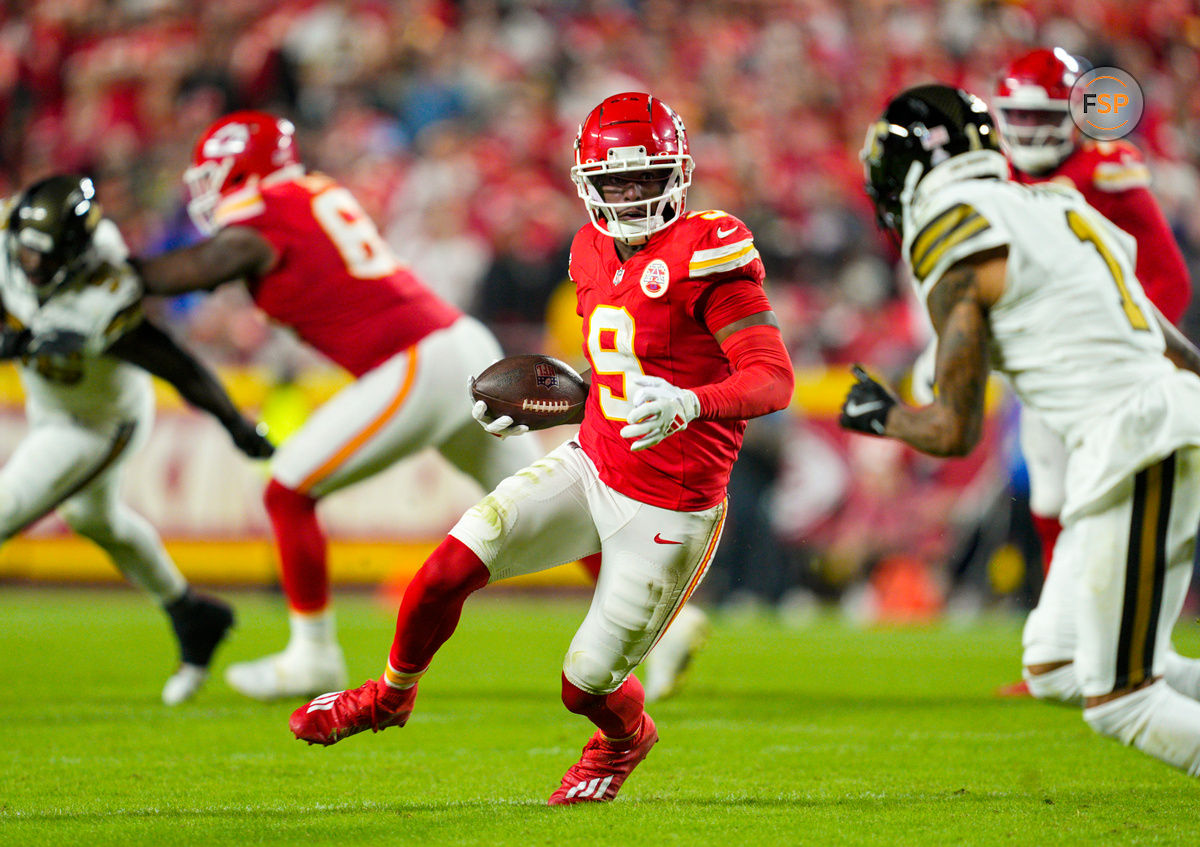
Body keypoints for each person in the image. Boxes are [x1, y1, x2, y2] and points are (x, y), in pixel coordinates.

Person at [288, 92, 795, 804]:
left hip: (671, 505)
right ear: (587, 180)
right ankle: (389, 696)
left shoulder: (707, 249)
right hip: (594, 464)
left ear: (675, 174)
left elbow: (772, 378)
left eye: (644, 177)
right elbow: (623, 375)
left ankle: (624, 737)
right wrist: (553, 402)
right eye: (614, 180)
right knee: (445, 569)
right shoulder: (588, 249)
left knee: (584, 681)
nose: (629, 192)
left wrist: (691, 402)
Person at [843, 84, 1200, 776]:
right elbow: (1171, 343)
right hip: (1155, 423)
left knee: (1122, 700)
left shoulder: (952, 226)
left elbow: (952, 429)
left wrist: (881, 413)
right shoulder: (1057, 203)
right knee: (1056, 662)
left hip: (1135, 435)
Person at [136, 111, 545, 702]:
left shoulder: (266, 209)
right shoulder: (304, 193)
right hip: (457, 344)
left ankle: (313, 656)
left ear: (238, 166)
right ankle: (668, 624)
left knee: (288, 489)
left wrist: (116, 272)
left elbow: (197, 269)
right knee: (537, 500)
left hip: (417, 359)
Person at [0, 174, 274, 704]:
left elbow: (177, 365)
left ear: (78, 252)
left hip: (97, 421)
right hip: (51, 404)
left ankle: (190, 613)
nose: (31, 267)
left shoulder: (106, 287)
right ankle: (192, 614)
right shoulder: (12, 232)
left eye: (46, 258)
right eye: (25, 254)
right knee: (93, 520)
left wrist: (236, 424)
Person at [991, 48, 1194, 698]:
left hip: (1103, 372)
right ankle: (1060, 646)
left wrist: (1127, 344)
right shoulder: (1001, 174)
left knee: (1091, 498)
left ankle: (1090, 648)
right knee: (1051, 501)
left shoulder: (1103, 169)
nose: (1027, 128)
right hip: (1046, 363)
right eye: (1016, 113)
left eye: (1040, 114)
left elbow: (1168, 273)